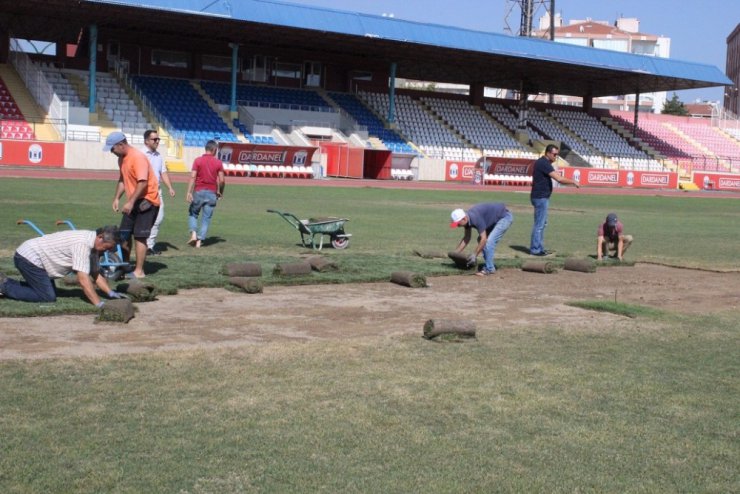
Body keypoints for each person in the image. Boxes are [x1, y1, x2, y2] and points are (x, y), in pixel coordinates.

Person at [0, 226, 124, 306]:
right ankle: (3, 285)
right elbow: (83, 279)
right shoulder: (82, 244)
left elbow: (95, 273)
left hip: (37, 259)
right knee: (47, 296)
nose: (107, 251)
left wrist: (110, 292)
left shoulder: (94, 246)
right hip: (28, 258)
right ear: (100, 237)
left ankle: (7, 282)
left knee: (48, 291)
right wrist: (98, 303)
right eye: (107, 247)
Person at [106, 131, 161, 278]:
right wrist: (117, 198)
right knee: (123, 235)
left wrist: (130, 202)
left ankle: (139, 271)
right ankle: (125, 266)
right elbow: (123, 179)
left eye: (112, 149)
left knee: (140, 236)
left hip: (148, 200)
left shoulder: (137, 158)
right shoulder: (122, 159)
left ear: (121, 144)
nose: (112, 152)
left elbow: (142, 183)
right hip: (134, 201)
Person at [529, 144, 580, 256]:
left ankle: (539, 248)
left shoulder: (543, 163)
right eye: (554, 154)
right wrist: (573, 181)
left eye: (557, 154)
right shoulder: (544, 163)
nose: (556, 157)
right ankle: (535, 249)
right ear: (547, 153)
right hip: (540, 197)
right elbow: (559, 179)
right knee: (539, 224)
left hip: (541, 197)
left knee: (542, 224)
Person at [450, 202, 513, 276]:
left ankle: (489, 268)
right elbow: (467, 238)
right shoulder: (467, 220)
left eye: (458, 223)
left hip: (504, 217)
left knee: (488, 242)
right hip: (494, 220)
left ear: (464, 219)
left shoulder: (475, 218)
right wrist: (456, 253)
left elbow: (484, 239)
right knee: (481, 240)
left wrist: (474, 255)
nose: (457, 225)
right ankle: (489, 265)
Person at [186, 140, 225, 248]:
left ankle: (193, 233)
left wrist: (189, 192)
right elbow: (222, 180)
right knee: (206, 218)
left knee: (193, 213)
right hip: (212, 193)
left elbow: (193, 177)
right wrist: (220, 192)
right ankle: (199, 241)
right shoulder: (218, 163)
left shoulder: (197, 161)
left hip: (199, 191)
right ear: (213, 150)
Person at [143, 129, 176, 255]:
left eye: (158, 139)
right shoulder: (140, 154)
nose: (157, 141)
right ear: (146, 141)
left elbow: (163, 173)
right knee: (144, 220)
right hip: (144, 192)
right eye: (154, 139)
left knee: (159, 218)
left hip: (157, 191)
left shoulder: (159, 156)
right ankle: (143, 245)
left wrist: (170, 188)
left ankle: (150, 246)